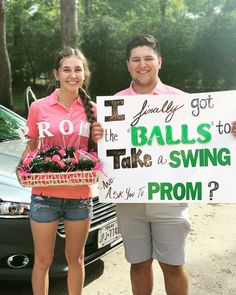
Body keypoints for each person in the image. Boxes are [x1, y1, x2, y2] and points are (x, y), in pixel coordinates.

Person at [92, 34, 191, 295]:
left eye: (148, 58)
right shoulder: (114, 104)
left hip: (169, 196)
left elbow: (205, 138)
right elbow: (101, 151)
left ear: (160, 61)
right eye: (136, 59)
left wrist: (227, 130)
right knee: (138, 263)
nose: (142, 64)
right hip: (129, 199)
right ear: (128, 65)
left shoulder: (181, 100)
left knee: (173, 265)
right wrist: (97, 138)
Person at [16, 47, 96, 295]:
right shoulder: (39, 107)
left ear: (85, 74)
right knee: (43, 261)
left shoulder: (93, 109)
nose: (73, 75)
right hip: (44, 195)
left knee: (77, 261)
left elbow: (101, 153)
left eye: (78, 69)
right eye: (66, 69)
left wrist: (102, 139)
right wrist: (21, 167)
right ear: (56, 73)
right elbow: (32, 147)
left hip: (80, 196)